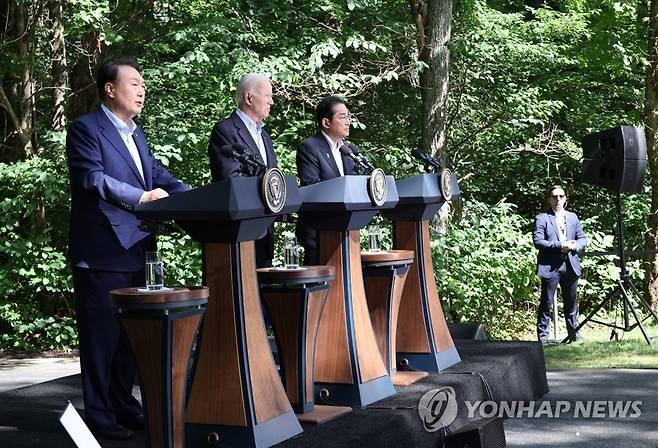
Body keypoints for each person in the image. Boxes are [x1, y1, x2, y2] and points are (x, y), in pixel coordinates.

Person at [66, 56, 190, 440]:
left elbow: (157, 175)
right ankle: (100, 416)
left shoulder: (138, 134)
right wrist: (141, 197)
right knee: (101, 340)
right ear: (110, 88)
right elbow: (93, 179)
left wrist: (196, 198)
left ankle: (124, 406)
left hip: (139, 247)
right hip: (103, 252)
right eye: (134, 83)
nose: (142, 89)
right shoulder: (86, 128)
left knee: (129, 340)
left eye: (142, 84)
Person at [207, 73, 277, 267]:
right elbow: (231, 179)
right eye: (267, 96)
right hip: (241, 230)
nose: (271, 101)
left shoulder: (264, 136)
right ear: (248, 97)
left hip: (265, 229)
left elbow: (272, 177)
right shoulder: (226, 130)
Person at [296, 96, 357, 265]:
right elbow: (312, 188)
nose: (348, 122)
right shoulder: (310, 147)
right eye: (342, 117)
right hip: (319, 233)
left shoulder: (348, 151)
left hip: (346, 231)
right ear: (326, 122)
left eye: (349, 116)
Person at [532, 184, 587, 343]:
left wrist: (575, 244)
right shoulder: (542, 218)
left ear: (565, 199)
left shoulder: (572, 217)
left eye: (561, 196)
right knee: (546, 303)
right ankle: (543, 339)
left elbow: (583, 238)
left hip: (570, 265)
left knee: (571, 303)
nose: (558, 199)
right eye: (554, 196)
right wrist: (560, 245)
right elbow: (538, 242)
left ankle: (573, 334)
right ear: (549, 199)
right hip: (550, 267)